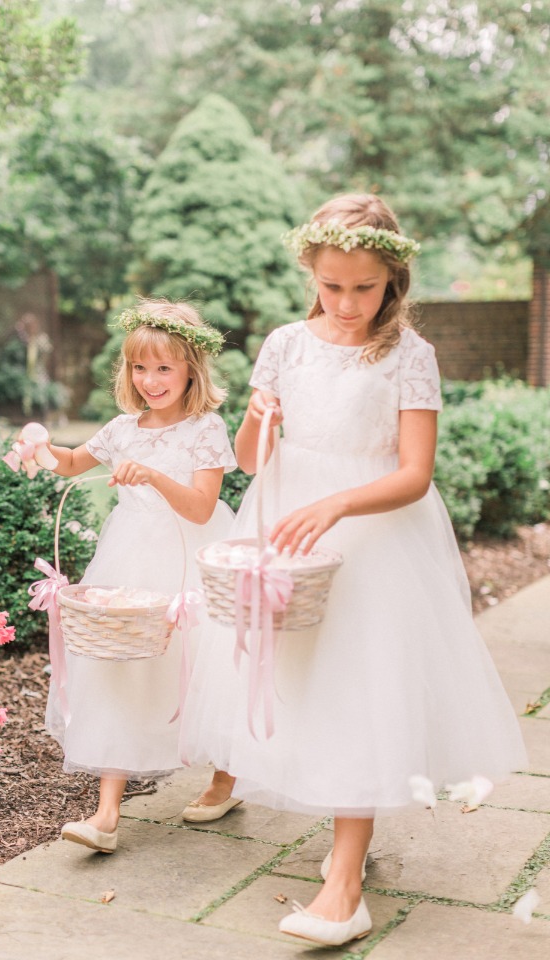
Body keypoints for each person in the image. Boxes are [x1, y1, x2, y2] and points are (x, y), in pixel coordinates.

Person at [179, 194, 527, 946]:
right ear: (311, 270)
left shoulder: (410, 357)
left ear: (392, 278)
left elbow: (414, 474)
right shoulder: (284, 345)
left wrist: (338, 504)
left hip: (372, 534)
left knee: (356, 690)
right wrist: (257, 415)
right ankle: (337, 848)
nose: (345, 303)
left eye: (363, 287)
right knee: (303, 686)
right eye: (332, 286)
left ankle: (344, 883)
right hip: (288, 528)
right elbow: (248, 461)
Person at [44, 299, 236, 854]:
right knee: (118, 665)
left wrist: (151, 475)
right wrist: (39, 450)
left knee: (203, 663)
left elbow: (201, 508)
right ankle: (106, 813)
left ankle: (224, 776)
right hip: (129, 557)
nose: (150, 381)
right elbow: (74, 462)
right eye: (138, 368)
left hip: (191, 555)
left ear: (191, 370)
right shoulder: (123, 428)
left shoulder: (205, 428)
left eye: (164, 368)